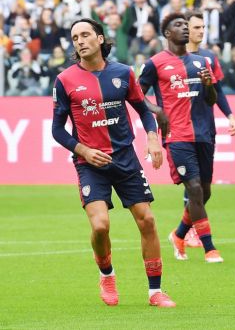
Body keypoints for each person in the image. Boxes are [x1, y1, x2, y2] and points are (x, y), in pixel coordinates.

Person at [51, 18, 175, 307]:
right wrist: (83, 150)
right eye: (75, 37)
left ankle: (155, 291)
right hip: (90, 164)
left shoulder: (123, 73)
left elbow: (144, 111)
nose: (80, 41)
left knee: (147, 220)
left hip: (125, 160)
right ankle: (106, 274)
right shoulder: (65, 80)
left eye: (85, 35)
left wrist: (153, 138)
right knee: (100, 227)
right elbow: (57, 130)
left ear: (100, 38)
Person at [138, 12, 223, 263]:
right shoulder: (155, 63)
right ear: (167, 33)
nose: (185, 28)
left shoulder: (201, 62)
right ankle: (209, 248)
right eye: (179, 25)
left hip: (204, 134)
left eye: (187, 25)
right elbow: (136, 94)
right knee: (194, 188)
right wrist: (157, 110)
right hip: (177, 135)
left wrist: (209, 85)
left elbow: (211, 100)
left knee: (204, 192)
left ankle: (179, 234)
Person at [179, 10, 235, 248]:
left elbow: (218, 90)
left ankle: (182, 230)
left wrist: (230, 115)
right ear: (186, 30)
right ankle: (196, 233)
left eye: (203, 27)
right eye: (196, 28)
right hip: (181, 132)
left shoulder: (209, 58)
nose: (201, 31)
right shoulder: (173, 59)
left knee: (205, 189)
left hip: (205, 128)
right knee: (192, 185)